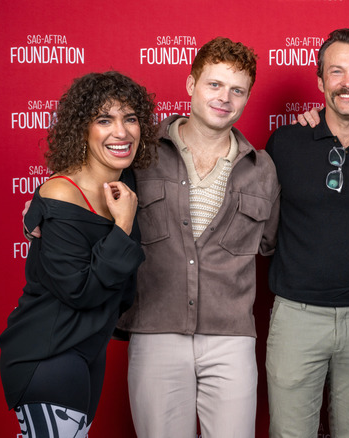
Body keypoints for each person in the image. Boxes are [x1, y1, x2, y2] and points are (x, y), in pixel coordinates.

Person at [116, 37, 280, 438]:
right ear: (191, 84)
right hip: (156, 329)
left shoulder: (262, 169)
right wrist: (44, 207)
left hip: (231, 338)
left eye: (237, 90)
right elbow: (88, 182)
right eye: (215, 84)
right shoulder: (140, 152)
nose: (225, 98)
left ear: (247, 98)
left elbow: (271, 241)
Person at [0, 71, 156, 437]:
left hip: (88, 350)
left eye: (130, 118)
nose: (121, 132)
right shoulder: (61, 194)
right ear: (81, 129)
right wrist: (122, 226)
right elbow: (81, 292)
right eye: (105, 120)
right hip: (48, 351)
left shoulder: (124, 179)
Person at [265, 28, 349, 438]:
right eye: (337, 72)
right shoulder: (285, 143)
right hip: (296, 316)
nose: (348, 83)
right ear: (320, 80)